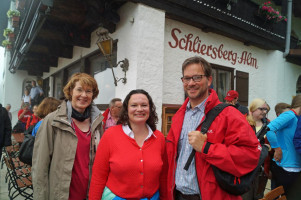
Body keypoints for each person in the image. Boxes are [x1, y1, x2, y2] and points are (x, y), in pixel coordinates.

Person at [164, 56, 261, 200]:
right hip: (178, 195)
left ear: (209, 80)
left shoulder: (229, 114)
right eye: (186, 78)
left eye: (197, 78)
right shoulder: (179, 115)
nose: (191, 83)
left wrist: (207, 148)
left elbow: (251, 155)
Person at [32, 73, 104, 200]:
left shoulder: (98, 122)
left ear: (93, 95)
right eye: (79, 90)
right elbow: (40, 166)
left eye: (88, 91)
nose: (84, 95)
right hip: (62, 194)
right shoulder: (53, 120)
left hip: (91, 194)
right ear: (70, 91)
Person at [89, 89, 166, 200]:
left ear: (150, 109)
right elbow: (98, 177)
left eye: (144, 105)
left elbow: (163, 177)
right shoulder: (110, 135)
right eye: (134, 105)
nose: (139, 109)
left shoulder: (159, 138)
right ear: (126, 109)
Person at [266, 95, 301, 197]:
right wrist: (277, 149)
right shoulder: (289, 115)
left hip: (294, 166)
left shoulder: (297, 117)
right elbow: (269, 129)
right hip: (285, 166)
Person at [244, 98, 270, 200]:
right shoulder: (242, 122)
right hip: (245, 170)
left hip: (262, 170)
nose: (264, 112)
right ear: (253, 109)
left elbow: (272, 147)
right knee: (245, 196)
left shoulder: (269, 125)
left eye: (266, 110)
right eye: (261, 109)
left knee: (259, 196)